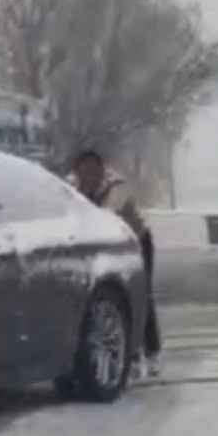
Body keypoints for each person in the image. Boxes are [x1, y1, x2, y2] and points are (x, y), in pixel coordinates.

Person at [71, 149, 161, 378]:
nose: (87, 179)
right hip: (104, 246)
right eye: (82, 174)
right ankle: (126, 353)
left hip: (137, 243)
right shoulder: (71, 185)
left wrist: (84, 197)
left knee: (141, 296)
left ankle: (150, 352)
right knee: (113, 299)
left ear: (101, 172)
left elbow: (107, 215)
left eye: (92, 174)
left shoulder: (117, 186)